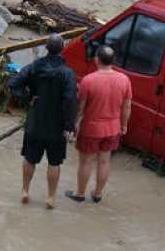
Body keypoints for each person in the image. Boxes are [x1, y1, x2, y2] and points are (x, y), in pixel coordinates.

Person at [8, 34, 77, 209]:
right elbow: (70, 99)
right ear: (62, 49)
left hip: (35, 122)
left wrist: (27, 97)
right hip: (56, 125)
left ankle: (25, 190)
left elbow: (13, 83)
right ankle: (51, 197)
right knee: (54, 162)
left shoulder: (33, 67)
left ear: (46, 48)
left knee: (29, 159)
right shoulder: (67, 73)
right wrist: (70, 125)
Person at [65, 45, 132, 203]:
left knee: (86, 161)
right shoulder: (124, 80)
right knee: (104, 161)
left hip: (91, 129)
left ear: (97, 59)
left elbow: (80, 108)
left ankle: (80, 194)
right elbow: (127, 106)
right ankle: (97, 194)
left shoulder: (88, 80)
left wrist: (73, 126)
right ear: (113, 61)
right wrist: (124, 125)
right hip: (113, 128)